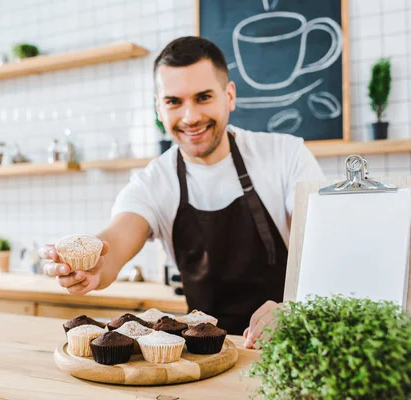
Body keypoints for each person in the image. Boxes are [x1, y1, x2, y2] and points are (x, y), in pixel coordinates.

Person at [40, 36, 325, 348]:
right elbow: (116, 241)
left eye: (203, 97)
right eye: (174, 102)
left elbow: (323, 251)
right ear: (159, 109)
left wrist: (297, 308)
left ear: (229, 96)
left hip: (289, 347)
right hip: (205, 356)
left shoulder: (286, 156)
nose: (190, 117)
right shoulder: (153, 182)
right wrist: (93, 266)